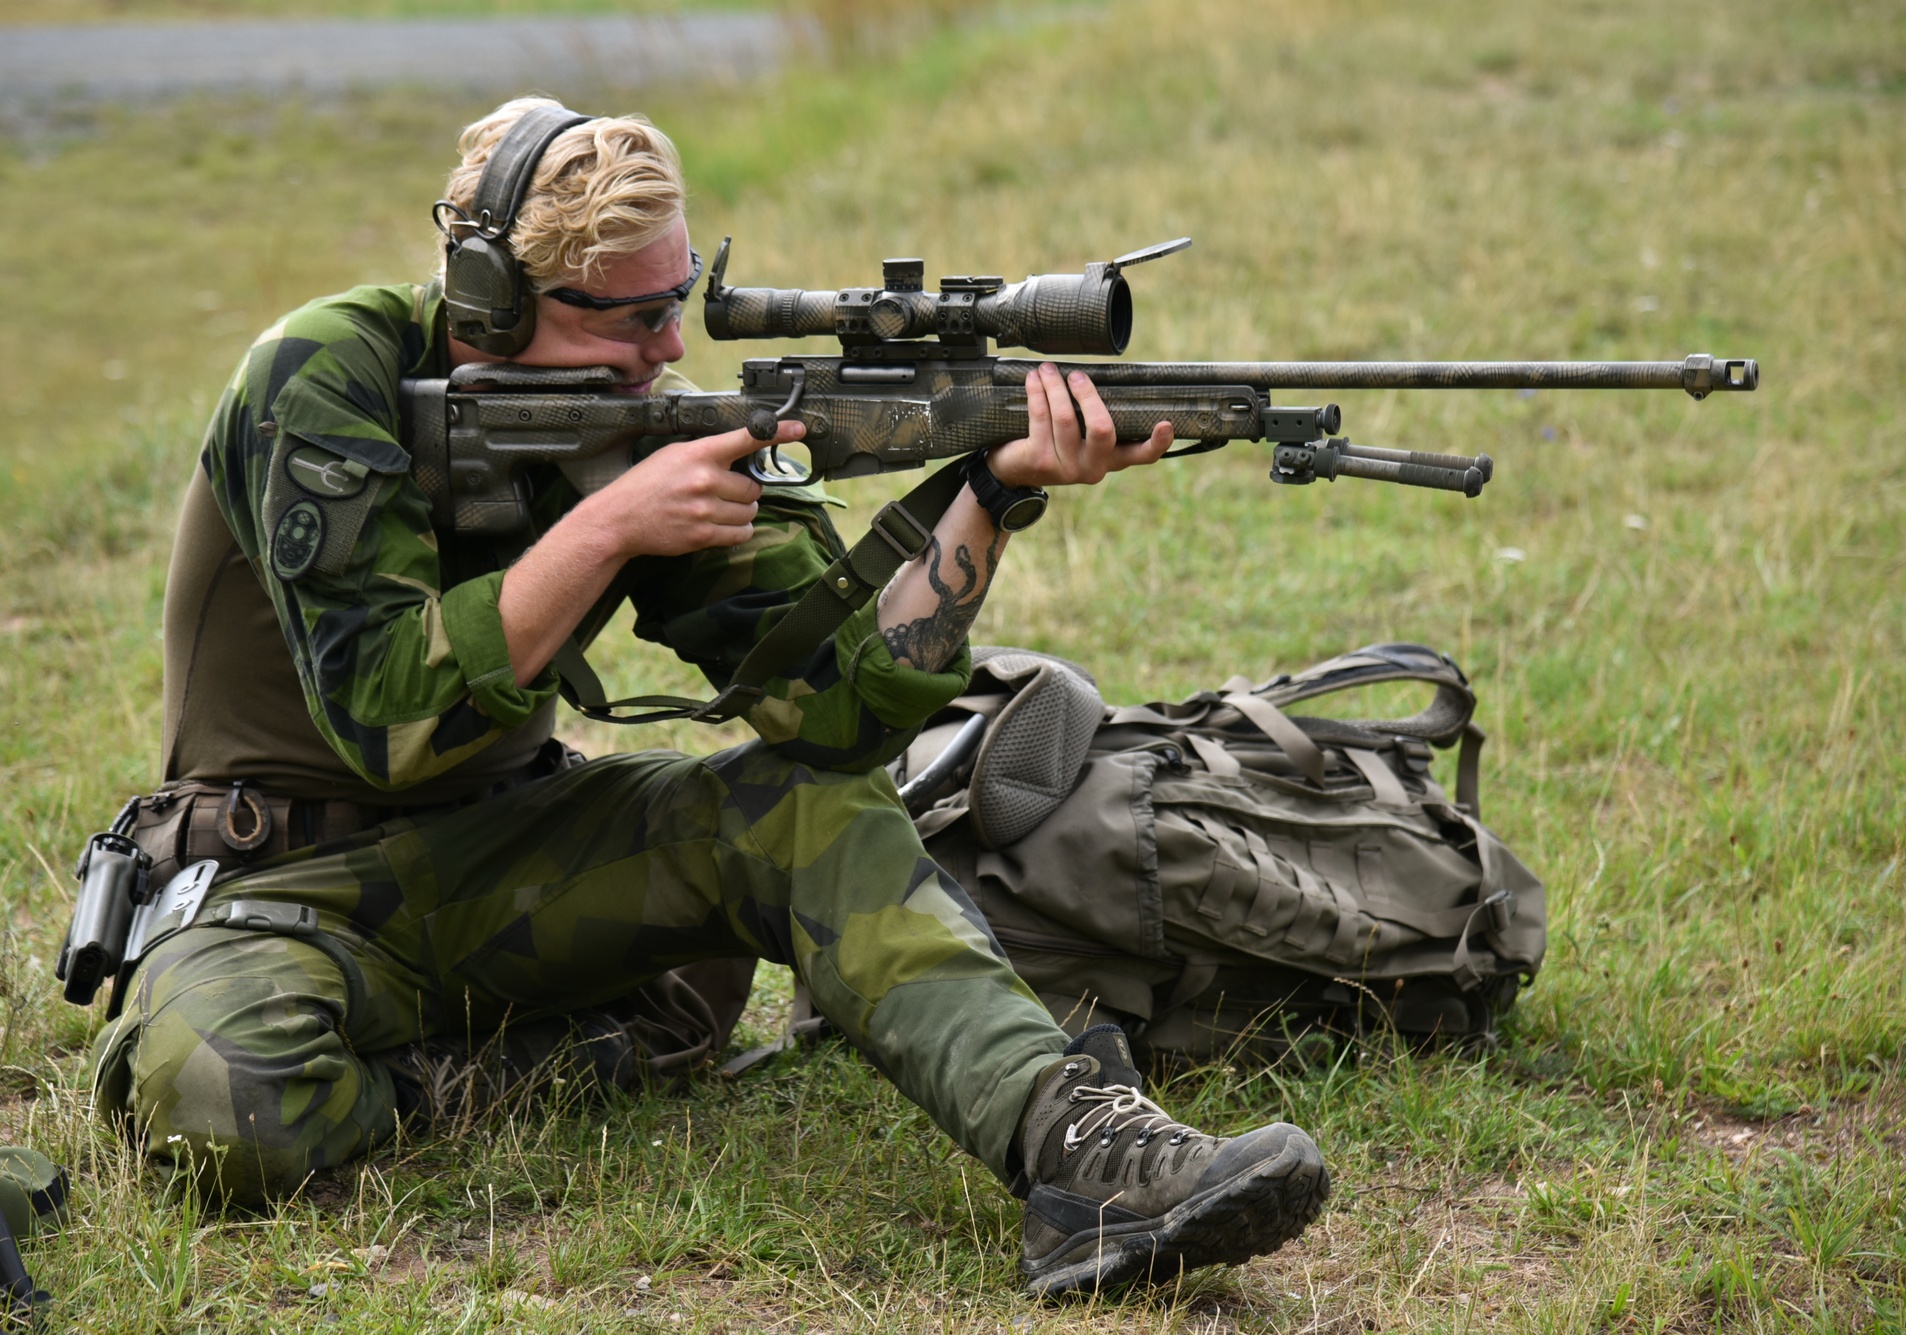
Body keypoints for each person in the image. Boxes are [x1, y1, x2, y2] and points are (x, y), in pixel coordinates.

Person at [86, 96, 1329, 1296]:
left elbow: (837, 720)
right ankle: (533, 1064)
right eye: (630, 320)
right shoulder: (323, 373)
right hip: (271, 890)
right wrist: (611, 528)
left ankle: (1086, 1153)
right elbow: (384, 719)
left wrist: (988, 495)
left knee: (805, 810)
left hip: (510, 855)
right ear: (492, 298)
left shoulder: (642, 421)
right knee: (223, 1103)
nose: (669, 349)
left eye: (677, 303)